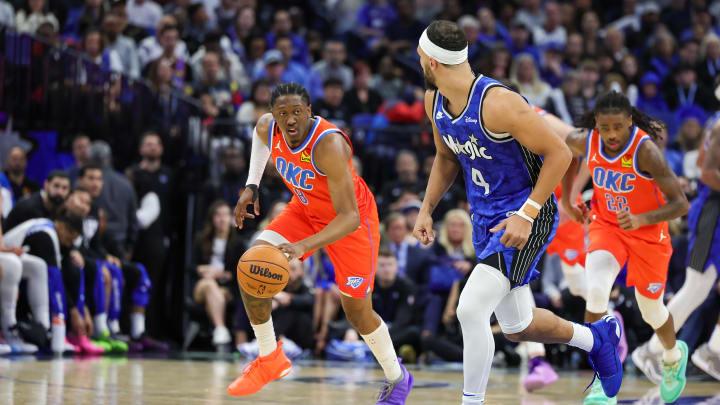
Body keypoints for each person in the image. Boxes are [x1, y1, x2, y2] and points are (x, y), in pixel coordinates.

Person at [413, 21, 622, 405]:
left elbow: (560, 152)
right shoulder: (434, 101)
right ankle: (597, 338)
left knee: (470, 308)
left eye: (419, 56)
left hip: (526, 215)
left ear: (432, 61)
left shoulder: (498, 102)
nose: (418, 62)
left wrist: (526, 214)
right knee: (518, 326)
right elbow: (446, 157)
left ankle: (471, 401)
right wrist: (427, 208)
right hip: (484, 217)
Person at [229, 82, 413, 403]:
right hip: (304, 208)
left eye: (297, 112)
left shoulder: (329, 145)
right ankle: (269, 356)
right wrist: (251, 186)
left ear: (309, 112)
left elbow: (350, 217)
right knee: (252, 266)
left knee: (357, 313)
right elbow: (260, 138)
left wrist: (303, 246)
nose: (289, 121)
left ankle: (397, 378)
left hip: (351, 223)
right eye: (282, 113)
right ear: (273, 114)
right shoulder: (266, 126)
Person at [564, 91, 690, 404]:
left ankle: (673, 356)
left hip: (648, 234)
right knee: (596, 292)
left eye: (617, 127)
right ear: (596, 124)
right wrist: (570, 197)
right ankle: (601, 379)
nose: (611, 135)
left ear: (629, 121)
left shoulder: (646, 151)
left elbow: (680, 204)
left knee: (651, 310)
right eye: (604, 128)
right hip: (607, 227)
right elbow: (563, 153)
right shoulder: (585, 140)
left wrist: (641, 217)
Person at [633, 88, 720, 383]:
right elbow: (706, 172)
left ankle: (713, 351)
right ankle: (651, 350)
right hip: (713, 214)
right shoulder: (719, 125)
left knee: (700, 289)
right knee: (696, 288)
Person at [191, 200, 244, 349]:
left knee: (215, 293)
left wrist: (223, 275)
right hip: (203, 285)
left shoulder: (238, 243)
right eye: (218, 215)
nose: (222, 219)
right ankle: (221, 328)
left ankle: (219, 331)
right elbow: (191, 266)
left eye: (226, 215)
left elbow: (240, 271)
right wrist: (202, 269)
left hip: (226, 289)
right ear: (212, 219)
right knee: (209, 285)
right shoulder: (201, 239)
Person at [4, 170, 70, 231]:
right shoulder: (29, 206)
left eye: (64, 188)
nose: (60, 192)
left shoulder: (62, 208)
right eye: (56, 186)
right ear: (46, 184)